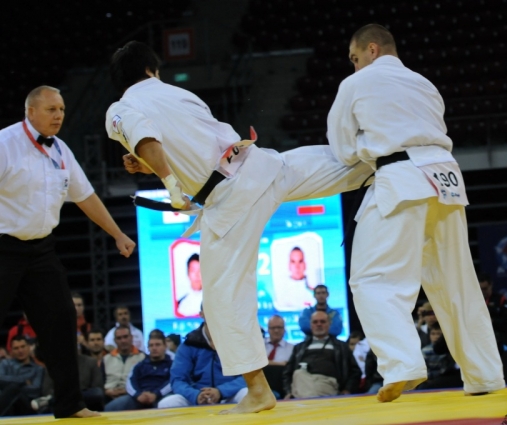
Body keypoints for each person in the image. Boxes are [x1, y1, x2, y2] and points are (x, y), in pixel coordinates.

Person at [105, 41, 371, 414]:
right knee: (334, 164)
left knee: (221, 300)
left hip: (230, 199)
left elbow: (145, 137)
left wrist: (168, 182)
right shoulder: (179, 94)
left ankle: (258, 391)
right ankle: (392, 158)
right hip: (258, 165)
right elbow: (189, 147)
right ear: (153, 70)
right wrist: (149, 165)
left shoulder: (120, 108)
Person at [326, 24, 505, 402]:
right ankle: (485, 375)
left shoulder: (355, 84)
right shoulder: (425, 83)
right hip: (447, 179)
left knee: (372, 279)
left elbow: (341, 148)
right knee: (456, 283)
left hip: (401, 178)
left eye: (355, 57)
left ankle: (403, 364)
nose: (354, 65)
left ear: (372, 49)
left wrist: (366, 147)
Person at [0, 85, 136, 418]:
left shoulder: (61, 149)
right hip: (3, 247)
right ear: (31, 112)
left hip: (41, 250)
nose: (59, 115)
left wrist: (117, 233)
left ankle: (70, 404)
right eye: (51, 109)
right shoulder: (5, 144)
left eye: (61, 109)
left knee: (61, 320)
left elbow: (85, 196)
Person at [158, 311, 248, 408]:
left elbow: (249, 376)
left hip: (228, 395)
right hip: (196, 397)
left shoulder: (237, 341)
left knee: (246, 393)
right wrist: (196, 395)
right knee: (167, 403)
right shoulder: (190, 344)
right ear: (202, 314)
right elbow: (177, 379)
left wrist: (220, 391)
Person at [282, 311, 361, 399]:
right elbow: (287, 373)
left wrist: (347, 390)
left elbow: (355, 372)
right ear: (311, 325)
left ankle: (307, 400)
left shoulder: (342, 347)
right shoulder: (299, 348)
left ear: (329, 324)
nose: (319, 324)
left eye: (322, 322)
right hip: (301, 381)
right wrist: (288, 392)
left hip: (328, 384)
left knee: (302, 380)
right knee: (299, 374)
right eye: (315, 322)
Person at [105, 331, 172, 411]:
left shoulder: (172, 365)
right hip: (140, 397)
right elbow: (130, 382)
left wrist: (156, 394)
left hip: (162, 396)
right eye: (151, 345)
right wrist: (138, 395)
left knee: (168, 402)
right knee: (110, 407)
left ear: (165, 346)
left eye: (157, 345)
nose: (154, 348)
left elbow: (172, 382)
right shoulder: (140, 365)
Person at [0, 336, 44, 416]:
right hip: (6, 403)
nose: (20, 351)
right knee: (12, 389)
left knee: (14, 389)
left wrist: (13, 387)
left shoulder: (38, 369)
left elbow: (35, 390)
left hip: (25, 404)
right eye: (16, 348)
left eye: (23, 347)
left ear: (29, 347)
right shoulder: (5, 363)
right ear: (11, 351)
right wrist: (23, 381)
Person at [103, 327, 146, 402]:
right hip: (108, 396)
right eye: (119, 338)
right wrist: (107, 391)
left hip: (131, 396)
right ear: (115, 340)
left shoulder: (142, 357)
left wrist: (127, 391)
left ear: (131, 337)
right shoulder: (106, 359)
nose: (123, 341)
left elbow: (144, 382)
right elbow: (100, 381)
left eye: (125, 337)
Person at [478, 273, 507, 353]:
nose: (482, 292)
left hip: (498, 342)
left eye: (485, 289)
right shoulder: (473, 301)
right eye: (480, 289)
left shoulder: (500, 299)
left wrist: (492, 321)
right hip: (480, 341)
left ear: (491, 285)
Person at [273, 247, 316, 311]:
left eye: (300, 261)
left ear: (305, 265)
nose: (297, 266)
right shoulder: (280, 294)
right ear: (289, 265)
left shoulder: (314, 294)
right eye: (293, 262)